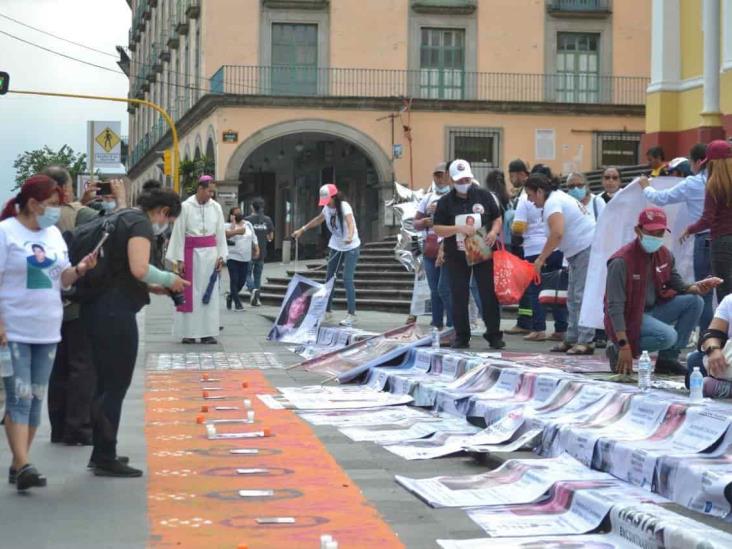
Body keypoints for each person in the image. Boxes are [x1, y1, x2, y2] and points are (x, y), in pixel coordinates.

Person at [0, 175, 98, 490]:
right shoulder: (6, 233)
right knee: (19, 396)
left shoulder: (54, 234)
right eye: (53, 205)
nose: (57, 211)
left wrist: (81, 268)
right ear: (33, 204)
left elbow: (63, 279)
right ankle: (23, 463)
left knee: (35, 399)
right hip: (14, 328)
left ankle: (20, 463)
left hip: (48, 328)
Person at [83, 188, 187, 477]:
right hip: (115, 313)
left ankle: (101, 451)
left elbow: (122, 270)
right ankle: (105, 455)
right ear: (164, 212)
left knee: (103, 383)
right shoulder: (140, 223)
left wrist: (155, 287)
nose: (165, 224)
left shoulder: (121, 217)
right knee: (115, 385)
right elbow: (140, 268)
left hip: (97, 308)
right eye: (169, 219)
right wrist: (169, 278)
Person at [603, 207, 717, 375]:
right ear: (638, 230)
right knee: (668, 336)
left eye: (660, 233)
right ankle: (616, 349)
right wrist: (623, 344)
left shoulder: (665, 254)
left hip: (653, 309)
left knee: (695, 301)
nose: (656, 238)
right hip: (629, 315)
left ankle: (668, 360)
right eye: (651, 233)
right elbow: (614, 306)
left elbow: (678, 284)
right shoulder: (621, 261)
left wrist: (698, 287)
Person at [42, 166, 98, 446]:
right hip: (77, 301)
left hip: (47, 305)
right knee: (81, 366)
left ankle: (58, 427)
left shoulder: (34, 217)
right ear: (63, 189)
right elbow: (111, 229)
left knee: (57, 368)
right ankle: (78, 428)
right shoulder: (80, 214)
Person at [639, 143, 713, 332]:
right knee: (725, 293)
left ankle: (708, 339)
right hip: (725, 239)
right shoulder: (724, 181)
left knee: (704, 291)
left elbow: (660, 198)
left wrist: (646, 187)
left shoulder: (693, 183)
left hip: (705, 241)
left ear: (697, 162)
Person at [433, 159, 504, 349]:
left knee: (487, 293)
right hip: (456, 255)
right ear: (451, 180)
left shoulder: (484, 196)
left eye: (466, 179)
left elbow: (497, 217)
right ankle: (462, 336)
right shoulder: (444, 203)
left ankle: (494, 334)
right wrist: (458, 228)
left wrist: (493, 232)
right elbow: (438, 228)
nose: (463, 184)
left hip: (482, 251)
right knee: (459, 295)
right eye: (459, 180)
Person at [525, 173, 596, 355]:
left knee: (580, 296)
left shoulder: (552, 203)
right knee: (572, 296)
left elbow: (557, 233)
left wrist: (541, 259)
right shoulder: (556, 199)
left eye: (531, 195)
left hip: (585, 248)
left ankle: (586, 340)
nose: (530, 201)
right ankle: (572, 338)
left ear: (540, 191)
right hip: (578, 250)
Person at [166, 176, 227, 344]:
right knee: (190, 293)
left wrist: (221, 256)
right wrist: (178, 259)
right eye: (209, 191)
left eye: (213, 191)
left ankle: (208, 332)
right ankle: (189, 332)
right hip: (190, 254)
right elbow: (178, 232)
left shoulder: (216, 208)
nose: (211, 194)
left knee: (210, 293)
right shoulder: (185, 207)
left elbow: (220, 233)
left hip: (210, 255)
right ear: (200, 189)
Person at [292, 184, 361, 327]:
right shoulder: (327, 208)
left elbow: (350, 223)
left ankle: (352, 314)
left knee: (347, 278)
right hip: (336, 245)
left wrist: (349, 236)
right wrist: (302, 229)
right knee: (329, 278)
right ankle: (328, 312)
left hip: (351, 246)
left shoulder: (344, 206)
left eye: (327, 200)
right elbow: (318, 219)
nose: (326, 204)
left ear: (334, 197)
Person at [513, 170, 568, 343]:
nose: (529, 198)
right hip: (556, 248)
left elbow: (518, 226)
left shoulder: (524, 200)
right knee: (557, 288)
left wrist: (517, 231)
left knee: (535, 290)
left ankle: (538, 329)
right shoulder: (559, 198)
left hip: (534, 250)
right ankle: (561, 328)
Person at [683, 140, 732, 302]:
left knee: (725, 291)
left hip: (722, 242)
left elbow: (707, 219)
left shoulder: (714, 185)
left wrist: (690, 229)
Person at [414, 162, 452, 329]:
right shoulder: (427, 198)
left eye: (442, 174)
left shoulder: (453, 198)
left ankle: (452, 323)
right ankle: (437, 323)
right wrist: (424, 221)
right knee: (435, 290)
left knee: (446, 289)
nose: (439, 178)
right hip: (430, 248)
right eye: (436, 175)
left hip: (448, 248)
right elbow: (415, 223)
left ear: (449, 176)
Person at [504, 159, 534, 335]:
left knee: (527, 286)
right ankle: (524, 321)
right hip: (523, 245)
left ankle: (525, 322)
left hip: (525, 244)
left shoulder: (526, 193)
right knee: (524, 286)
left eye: (512, 174)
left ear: (521, 174)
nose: (511, 178)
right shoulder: (522, 192)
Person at [688, 294, 732, 398]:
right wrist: (714, 350)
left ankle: (727, 389)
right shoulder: (729, 300)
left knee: (698, 381)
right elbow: (711, 333)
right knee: (694, 361)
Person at [225, 210, 258, 311]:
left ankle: (230, 296)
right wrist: (233, 224)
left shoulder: (248, 224)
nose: (239, 213)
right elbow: (227, 235)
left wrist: (256, 248)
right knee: (234, 280)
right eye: (236, 212)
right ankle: (238, 304)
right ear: (232, 215)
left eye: (240, 212)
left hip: (245, 258)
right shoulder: (227, 225)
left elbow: (253, 237)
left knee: (242, 282)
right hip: (232, 257)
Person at [245, 197, 274, 307]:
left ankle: (252, 290)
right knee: (258, 276)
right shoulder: (267, 220)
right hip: (262, 253)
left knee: (246, 274)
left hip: (249, 252)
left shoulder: (247, 220)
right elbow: (271, 237)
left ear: (252, 207)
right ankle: (257, 300)